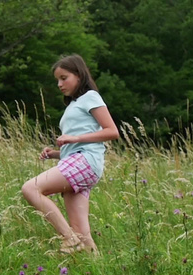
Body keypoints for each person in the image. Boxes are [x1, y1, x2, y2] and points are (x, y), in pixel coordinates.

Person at [21, 54, 120, 255]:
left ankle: (68, 238)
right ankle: (99, 272)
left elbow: (112, 131)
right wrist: (56, 154)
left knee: (31, 189)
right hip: (78, 161)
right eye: (57, 79)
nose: (59, 84)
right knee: (83, 233)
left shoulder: (90, 96)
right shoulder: (73, 105)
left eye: (64, 78)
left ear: (79, 75)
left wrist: (74, 138)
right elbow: (75, 146)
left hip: (85, 161)